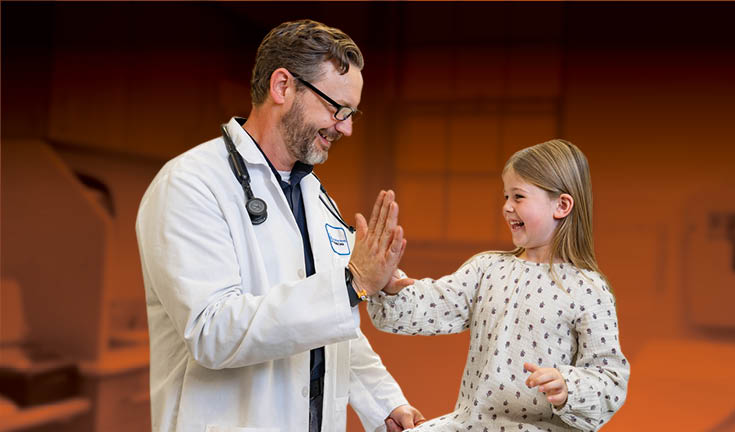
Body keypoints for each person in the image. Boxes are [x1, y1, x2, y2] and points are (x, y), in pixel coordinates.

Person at [136, 19, 423, 432]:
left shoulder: (315, 197)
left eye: (352, 113)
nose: (346, 127)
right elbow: (212, 331)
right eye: (336, 109)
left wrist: (385, 403)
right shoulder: (191, 185)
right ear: (283, 87)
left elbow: (329, 325)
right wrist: (350, 284)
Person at [368, 139, 630, 431]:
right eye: (506, 196)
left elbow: (610, 378)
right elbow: (437, 303)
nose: (506, 207)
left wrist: (568, 386)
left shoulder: (588, 290)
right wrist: (391, 286)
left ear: (562, 205)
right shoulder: (487, 268)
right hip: (471, 423)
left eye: (518, 197)